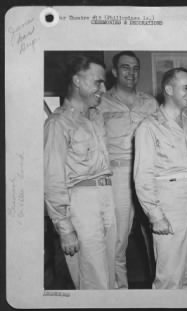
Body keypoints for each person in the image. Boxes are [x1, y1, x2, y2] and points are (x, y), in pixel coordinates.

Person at [134, 67, 187, 289]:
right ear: (169, 89)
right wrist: (155, 215)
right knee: (169, 275)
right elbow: (143, 176)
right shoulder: (149, 127)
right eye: (186, 88)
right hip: (170, 202)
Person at [44, 55, 117, 289]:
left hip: (106, 196)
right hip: (81, 202)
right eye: (98, 82)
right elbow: (52, 179)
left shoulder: (95, 118)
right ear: (77, 80)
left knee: (109, 275)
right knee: (94, 280)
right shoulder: (58, 124)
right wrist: (65, 229)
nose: (103, 88)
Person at [97, 51, 158, 288]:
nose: (131, 72)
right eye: (125, 67)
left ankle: (161, 294)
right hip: (118, 176)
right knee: (117, 240)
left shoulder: (150, 102)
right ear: (114, 71)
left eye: (135, 68)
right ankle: (119, 295)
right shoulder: (101, 102)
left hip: (149, 175)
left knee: (156, 237)